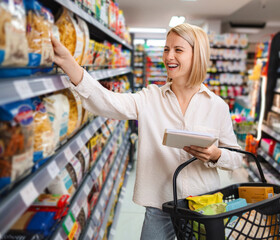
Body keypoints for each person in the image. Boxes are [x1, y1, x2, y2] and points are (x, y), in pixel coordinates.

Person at [51, 23, 242, 240]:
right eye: (166, 49)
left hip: (204, 206)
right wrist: (69, 63)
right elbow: (107, 102)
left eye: (178, 50)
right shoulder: (150, 97)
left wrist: (216, 155)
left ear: (197, 55)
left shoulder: (216, 106)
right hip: (160, 206)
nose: (169, 56)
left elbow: (236, 158)